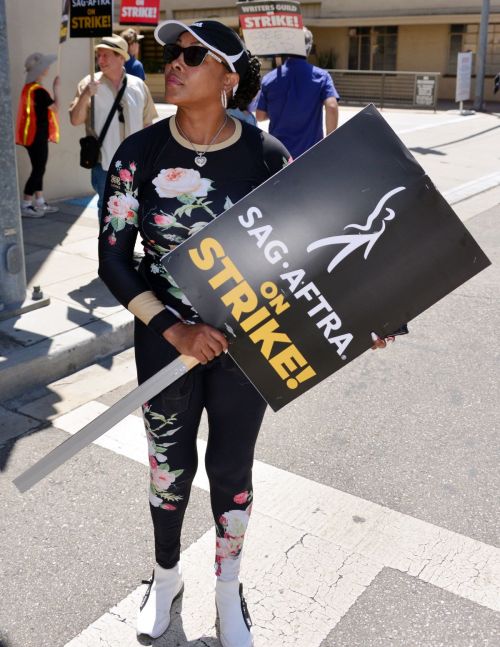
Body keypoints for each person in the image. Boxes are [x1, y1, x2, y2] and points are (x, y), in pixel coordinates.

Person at [97, 18, 393, 646]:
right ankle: (166, 575)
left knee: (231, 469)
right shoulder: (138, 153)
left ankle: (229, 588)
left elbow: (309, 257)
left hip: (249, 344)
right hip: (164, 342)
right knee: (167, 470)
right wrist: (174, 329)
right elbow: (114, 261)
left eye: (193, 57)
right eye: (173, 54)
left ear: (229, 77)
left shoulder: (267, 158)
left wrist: (364, 314)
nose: (173, 63)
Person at [69, 34, 157, 212]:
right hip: (105, 166)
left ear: (121, 57)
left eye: (105, 55)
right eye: (98, 55)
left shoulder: (139, 86)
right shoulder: (88, 84)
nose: (100, 60)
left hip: (135, 164)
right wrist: (86, 94)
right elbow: (75, 120)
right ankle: (106, 241)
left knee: (134, 209)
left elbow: (148, 124)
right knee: (108, 210)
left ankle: (127, 240)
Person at [256, 27, 340, 158]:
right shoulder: (321, 76)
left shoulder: (269, 79)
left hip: (279, 154)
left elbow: (260, 116)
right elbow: (332, 106)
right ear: (309, 48)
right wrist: (329, 142)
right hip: (310, 154)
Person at [15, 52, 60, 217]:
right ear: (40, 70)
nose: (48, 68)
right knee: (38, 169)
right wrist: (56, 89)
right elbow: (56, 108)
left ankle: (39, 201)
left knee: (38, 168)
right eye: (45, 66)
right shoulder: (39, 91)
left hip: (30, 136)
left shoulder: (29, 88)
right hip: (37, 136)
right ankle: (26, 203)